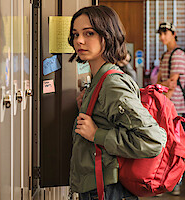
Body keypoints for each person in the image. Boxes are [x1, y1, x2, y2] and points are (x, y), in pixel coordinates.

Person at [68, 5, 167, 200]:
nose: (79, 40)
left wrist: (98, 134)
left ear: (108, 35)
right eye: (75, 34)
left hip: (109, 190)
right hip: (99, 186)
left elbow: (153, 140)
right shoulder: (100, 79)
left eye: (89, 33)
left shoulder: (112, 84)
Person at [156, 22, 185, 196]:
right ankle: (163, 182)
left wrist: (162, 91)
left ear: (173, 34)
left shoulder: (177, 55)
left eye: (165, 33)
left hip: (174, 105)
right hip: (166, 104)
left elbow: (172, 84)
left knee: (176, 145)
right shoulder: (166, 55)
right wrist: (162, 85)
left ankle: (176, 182)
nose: (162, 37)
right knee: (164, 144)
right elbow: (162, 82)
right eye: (160, 33)